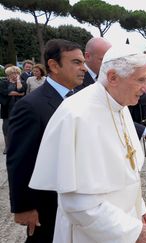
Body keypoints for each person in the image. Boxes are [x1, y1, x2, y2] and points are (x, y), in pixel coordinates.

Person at [29, 44, 146, 243]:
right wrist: (130, 231)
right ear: (113, 78)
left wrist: (138, 208)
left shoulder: (120, 105)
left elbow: (129, 171)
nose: (145, 89)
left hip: (124, 220)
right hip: (92, 233)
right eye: (141, 80)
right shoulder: (77, 115)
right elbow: (78, 204)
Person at [6, 39, 85, 242]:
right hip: (47, 204)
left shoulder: (79, 100)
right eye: (76, 62)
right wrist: (24, 207)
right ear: (53, 65)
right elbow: (20, 160)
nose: (83, 68)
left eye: (83, 62)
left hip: (76, 199)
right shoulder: (31, 106)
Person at [78, 37, 146, 138]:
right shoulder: (77, 86)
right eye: (103, 59)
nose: (110, 64)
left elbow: (144, 97)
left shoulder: (122, 106)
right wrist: (144, 131)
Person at [0, 66, 26, 154]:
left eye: (16, 73)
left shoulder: (22, 82)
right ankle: (7, 146)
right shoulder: (3, 82)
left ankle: (18, 145)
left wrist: (18, 81)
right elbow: (4, 92)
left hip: (19, 108)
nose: (14, 75)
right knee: (6, 128)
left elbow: (22, 90)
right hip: (7, 108)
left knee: (19, 126)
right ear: (8, 74)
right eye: (12, 73)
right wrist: (17, 93)